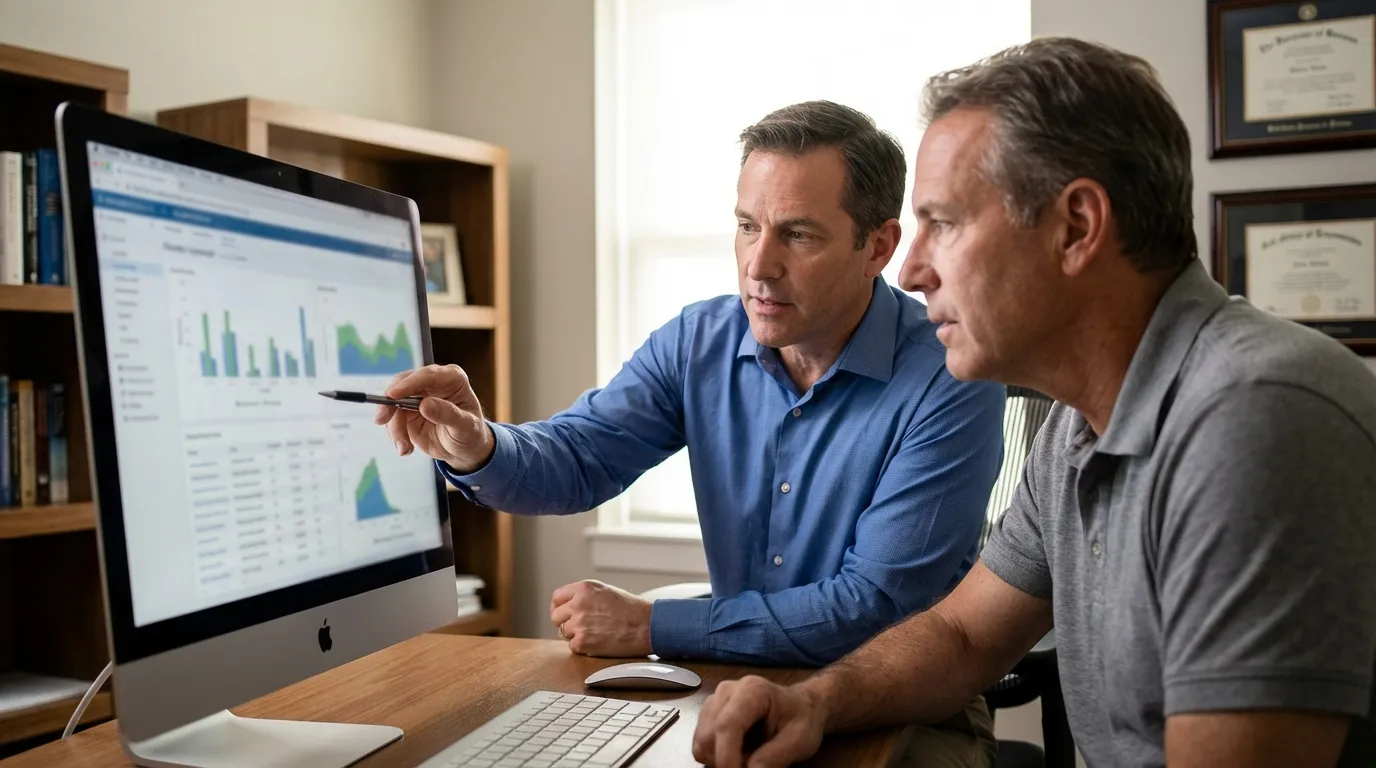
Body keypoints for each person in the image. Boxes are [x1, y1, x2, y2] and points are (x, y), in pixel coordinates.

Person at [691, 37, 1376, 768]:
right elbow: (963, 637)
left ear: (1076, 227)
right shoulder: (1080, 426)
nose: (914, 269)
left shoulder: (1252, 417)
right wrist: (813, 703)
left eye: (944, 223)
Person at [376, 101, 1005, 676]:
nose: (759, 266)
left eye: (799, 233)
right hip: (731, 686)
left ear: (878, 247)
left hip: (898, 709)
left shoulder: (951, 375)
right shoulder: (697, 341)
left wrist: (653, 625)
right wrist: (478, 447)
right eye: (747, 227)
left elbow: (875, 608)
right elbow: (579, 458)